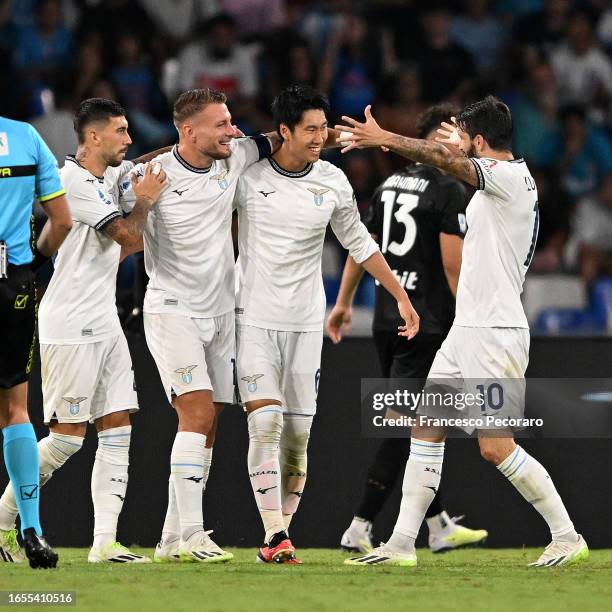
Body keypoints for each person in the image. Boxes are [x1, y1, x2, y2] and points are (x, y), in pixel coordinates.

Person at [337, 95, 588, 568]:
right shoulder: (496, 180)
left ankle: (567, 535)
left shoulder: (510, 179)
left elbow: (444, 162)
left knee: (495, 447)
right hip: (466, 330)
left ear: (478, 140)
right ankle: (400, 544)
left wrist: (385, 138)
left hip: (494, 331)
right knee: (426, 427)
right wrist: (460, 148)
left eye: (464, 137)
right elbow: (456, 161)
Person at [233, 85, 419, 564]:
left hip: (303, 323)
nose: (321, 138)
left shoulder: (333, 181)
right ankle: (274, 531)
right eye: (311, 130)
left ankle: (279, 536)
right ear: (284, 132)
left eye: (323, 128)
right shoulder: (248, 177)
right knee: (266, 423)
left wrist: (399, 295)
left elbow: (359, 242)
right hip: (252, 318)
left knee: (297, 439)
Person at [0, 98, 168, 564]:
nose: (129, 139)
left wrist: (186, 145)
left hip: (104, 321)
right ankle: (3, 519)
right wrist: (148, 201)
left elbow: (141, 165)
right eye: (120, 131)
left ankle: (104, 544)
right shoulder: (73, 183)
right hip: (69, 322)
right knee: (68, 438)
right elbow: (131, 238)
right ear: (93, 138)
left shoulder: (107, 176)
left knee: (118, 426)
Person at [328, 103, 487, 555]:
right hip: (426, 324)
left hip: (386, 318)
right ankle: (359, 526)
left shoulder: (387, 185)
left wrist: (343, 303)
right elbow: (453, 268)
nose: (461, 143)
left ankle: (436, 524)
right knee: (407, 428)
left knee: (421, 423)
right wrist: (469, 322)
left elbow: (364, 248)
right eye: (454, 134)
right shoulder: (448, 190)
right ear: (437, 139)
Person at [0, 114, 72, 568]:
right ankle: (31, 529)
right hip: (13, 284)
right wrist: (29, 268)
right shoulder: (24, 136)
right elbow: (61, 221)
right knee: (15, 409)